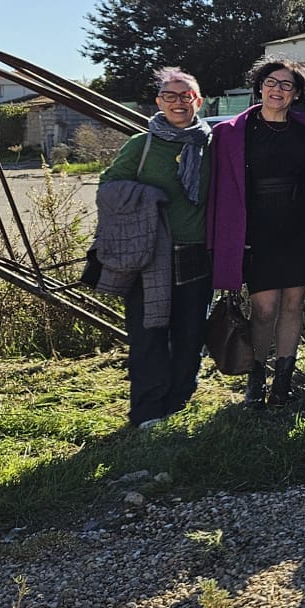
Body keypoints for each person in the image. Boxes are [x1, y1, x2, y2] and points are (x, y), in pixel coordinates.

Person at [98, 68, 214, 429]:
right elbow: (109, 186)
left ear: (198, 100)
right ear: (159, 102)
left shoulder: (212, 143)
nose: (179, 103)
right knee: (148, 334)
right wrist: (149, 197)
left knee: (191, 332)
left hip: (197, 252)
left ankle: (178, 401)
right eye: (171, 96)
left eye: (186, 96)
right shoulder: (142, 144)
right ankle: (147, 411)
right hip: (151, 255)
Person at [207, 58, 305, 407]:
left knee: (293, 303)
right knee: (265, 307)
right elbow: (218, 188)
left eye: (287, 85)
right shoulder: (231, 131)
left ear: (297, 93)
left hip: (300, 226)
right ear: (259, 86)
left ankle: (283, 382)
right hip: (255, 229)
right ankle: (256, 377)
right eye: (272, 82)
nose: (278, 90)